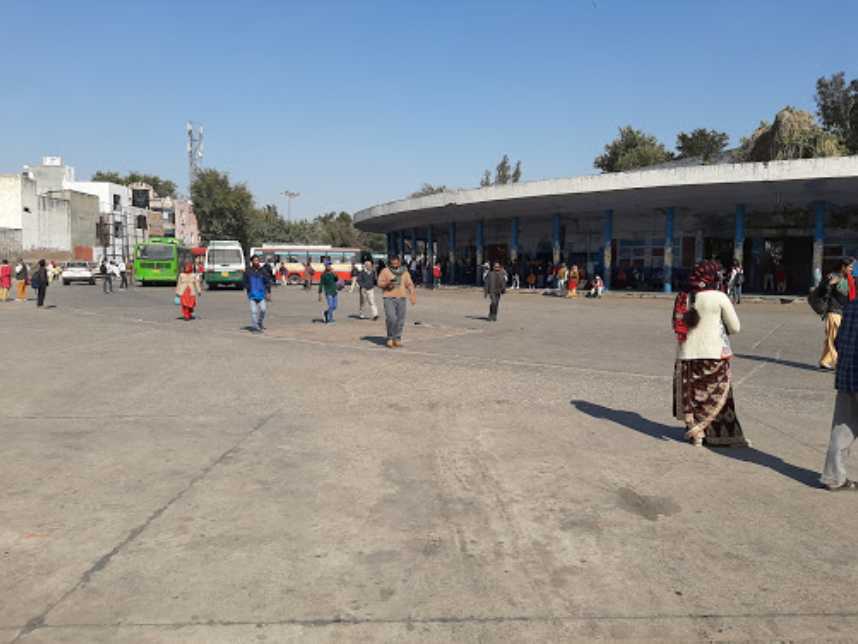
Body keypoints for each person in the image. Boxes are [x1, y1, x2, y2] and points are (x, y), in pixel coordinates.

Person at [672, 260, 748, 448]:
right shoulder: (719, 297)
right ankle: (718, 435)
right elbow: (735, 327)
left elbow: (675, 324)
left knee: (692, 395)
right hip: (714, 355)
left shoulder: (683, 296)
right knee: (715, 394)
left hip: (687, 355)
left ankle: (696, 432)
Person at [820, 263, 858, 490]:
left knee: (842, 428)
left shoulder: (852, 307)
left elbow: (837, 342)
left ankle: (834, 477)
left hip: (846, 377)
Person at [816, 258, 854, 371]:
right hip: (833, 311)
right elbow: (822, 292)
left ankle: (824, 362)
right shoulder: (833, 276)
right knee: (835, 339)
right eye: (850, 267)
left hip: (842, 311)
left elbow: (849, 295)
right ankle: (839, 363)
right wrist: (828, 284)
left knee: (832, 338)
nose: (852, 269)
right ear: (843, 267)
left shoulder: (848, 278)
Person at [378, 255, 416, 348]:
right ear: (390, 263)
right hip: (388, 297)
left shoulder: (405, 272)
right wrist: (388, 284)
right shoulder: (385, 271)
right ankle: (390, 337)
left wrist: (412, 293)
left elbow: (409, 283)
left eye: (396, 262)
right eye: (393, 263)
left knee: (400, 320)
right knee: (391, 318)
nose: (395, 264)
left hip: (401, 297)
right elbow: (379, 283)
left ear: (399, 262)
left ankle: (397, 338)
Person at [243, 254, 272, 332]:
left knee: (263, 309)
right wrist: (248, 288)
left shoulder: (262, 271)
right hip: (252, 294)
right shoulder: (248, 271)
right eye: (255, 260)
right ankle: (255, 327)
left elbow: (267, 282)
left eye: (257, 260)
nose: (256, 262)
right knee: (254, 312)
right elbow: (244, 281)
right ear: (252, 261)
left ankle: (259, 322)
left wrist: (268, 292)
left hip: (261, 294)